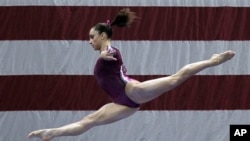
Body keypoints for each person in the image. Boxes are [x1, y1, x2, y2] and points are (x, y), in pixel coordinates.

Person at [27, 8, 235, 141]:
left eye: (92, 37)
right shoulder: (104, 52)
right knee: (88, 121)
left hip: (132, 91)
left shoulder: (111, 51)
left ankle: (213, 60)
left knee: (175, 79)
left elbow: (110, 53)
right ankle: (52, 133)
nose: (89, 41)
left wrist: (106, 55)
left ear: (102, 35)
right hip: (121, 103)